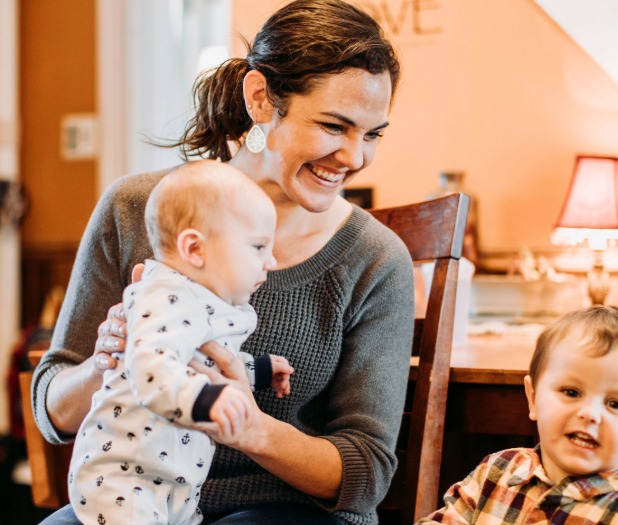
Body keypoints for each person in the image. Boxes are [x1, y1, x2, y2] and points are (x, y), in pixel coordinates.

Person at [31, 1, 414, 524]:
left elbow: (365, 474)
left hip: (285, 511)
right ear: (260, 98)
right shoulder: (138, 210)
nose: (354, 157)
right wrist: (106, 365)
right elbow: (52, 412)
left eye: (371, 135)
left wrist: (247, 425)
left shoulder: (375, 259)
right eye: (333, 126)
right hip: (130, 500)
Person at [67, 160, 294, 524]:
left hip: (175, 481)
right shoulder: (165, 295)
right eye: (257, 247)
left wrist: (260, 370)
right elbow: (150, 368)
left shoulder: (202, 299)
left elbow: (202, 366)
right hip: (124, 480)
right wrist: (205, 400)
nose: (271, 260)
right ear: (194, 249)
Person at [417, 305, 618, 525]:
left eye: (616, 404)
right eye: (571, 392)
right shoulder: (497, 471)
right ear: (533, 398)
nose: (589, 413)